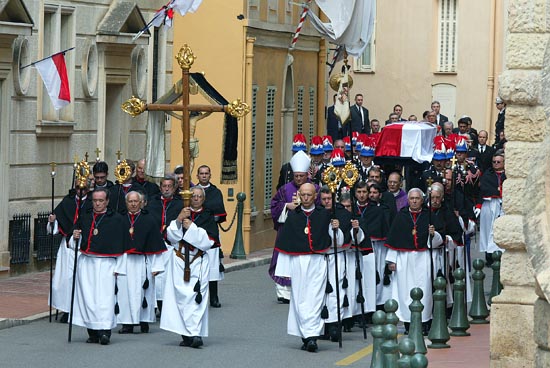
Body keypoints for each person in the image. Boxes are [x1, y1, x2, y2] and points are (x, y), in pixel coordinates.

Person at [274, 183, 344, 352]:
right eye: (303, 195)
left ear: (315, 196)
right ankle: (305, 335)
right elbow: (285, 244)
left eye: (309, 195)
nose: (305, 198)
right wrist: (284, 273)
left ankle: (312, 336)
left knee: (316, 298)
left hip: (318, 261)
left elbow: (338, 242)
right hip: (298, 262)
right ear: (299, 195)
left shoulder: (324, 215)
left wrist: (336, 229)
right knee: (299, 299)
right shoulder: (293, 215)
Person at [69, 188, 128, 345]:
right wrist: (75, 237)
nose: (98, 204)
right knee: (88, 298)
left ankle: (105, 332)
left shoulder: (116, 219)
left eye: (101, 200)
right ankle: (93, 332)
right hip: (87, 263)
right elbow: (74, 241)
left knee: (105, 299)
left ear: (107, 201)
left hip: (106, 264)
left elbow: (123, 246)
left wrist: (118, 269)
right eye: (95, 200)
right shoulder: (85, 216)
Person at [160, 186, 216, 348]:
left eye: (199, 196)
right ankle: (185, 334)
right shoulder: (180, 212)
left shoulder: (207, 215)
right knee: (180, 300)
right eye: (193, 196)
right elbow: (169, 237)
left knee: (196, 299)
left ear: (203, 199)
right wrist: (178, 221)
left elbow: (208, 242)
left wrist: (191, 227)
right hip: (179, 261)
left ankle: (195, 333)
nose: (196, 199)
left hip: (197, 263)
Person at [385, 188, 443, 335]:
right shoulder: (401, 216)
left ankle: (425, 323)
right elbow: (394, 239)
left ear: (422, 200)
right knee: (405, 291)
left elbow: (438, 241)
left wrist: (433, 234)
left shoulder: (429, 215)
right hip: (405, 260)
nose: (415, 201)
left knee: (426, 291)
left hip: (423, 258)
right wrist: (391, 260)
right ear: (408, 200)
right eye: (412, 198)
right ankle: (408, 323)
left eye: (417, 198)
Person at [117, 191, 166, 334]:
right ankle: (127, 324)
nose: (133, 204)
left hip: (142, 263)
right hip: (124, 261)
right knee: (125, 293)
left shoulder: (148, 219)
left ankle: (144, 320)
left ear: (141, 203)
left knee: (144, 292)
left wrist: (156, 266)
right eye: (130, 201)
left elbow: (156, 244)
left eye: (135, 201)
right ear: (126, 203)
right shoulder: (120, 219)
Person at [270, 151, 314, 303]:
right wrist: (286, 206)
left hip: (306, 231)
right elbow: (275, 205)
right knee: (285, 260)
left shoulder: (314, 189)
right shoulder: (285, 189)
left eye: (301, 176)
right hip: (287, 231)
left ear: (306, 175)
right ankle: (284, 292)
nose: (299, 179)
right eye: (296, 176)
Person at [47, 182, 92, 323]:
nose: (80, 191)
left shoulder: (93, 203)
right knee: (65, 280)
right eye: (78, 188)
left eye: (84, 189)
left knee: (81, 280)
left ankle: (80, 310)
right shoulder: (67, 201)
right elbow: (56, 226)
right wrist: (53, 221)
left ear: (88, 189)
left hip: (84, 247)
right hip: (67, 248)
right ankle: (67, 310)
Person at [145, 175, 184, 315]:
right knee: (155, 278)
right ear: (160, 187)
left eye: (169, 186)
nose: (166, 189)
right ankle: (153, 306)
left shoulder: (180, 204)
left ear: (174, 188)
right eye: (164, 186)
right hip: (155, 246)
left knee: (167, 280)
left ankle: (165, 308)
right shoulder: (152, 203)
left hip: (171, 247)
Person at [194, 165, 226, 308]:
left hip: (210, 231)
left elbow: (219, 212)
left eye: (206, 173)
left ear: (210, 175)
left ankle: (214, 297)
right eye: (201, 173)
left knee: (212, 267)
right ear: (197, 175)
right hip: (193, 234)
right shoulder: (192, 192)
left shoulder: (215, 192)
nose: (204, 176)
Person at [479, 151, 506, 265]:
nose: (495, 164)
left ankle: (502, 254)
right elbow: (484, 188)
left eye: (498, 162)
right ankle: (488, 255)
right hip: (489, 205)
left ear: (504, 162)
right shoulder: (488, 174)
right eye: (494, 162)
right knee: (487, 230)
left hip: (503, 205)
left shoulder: (508, 175)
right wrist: (497, 191)